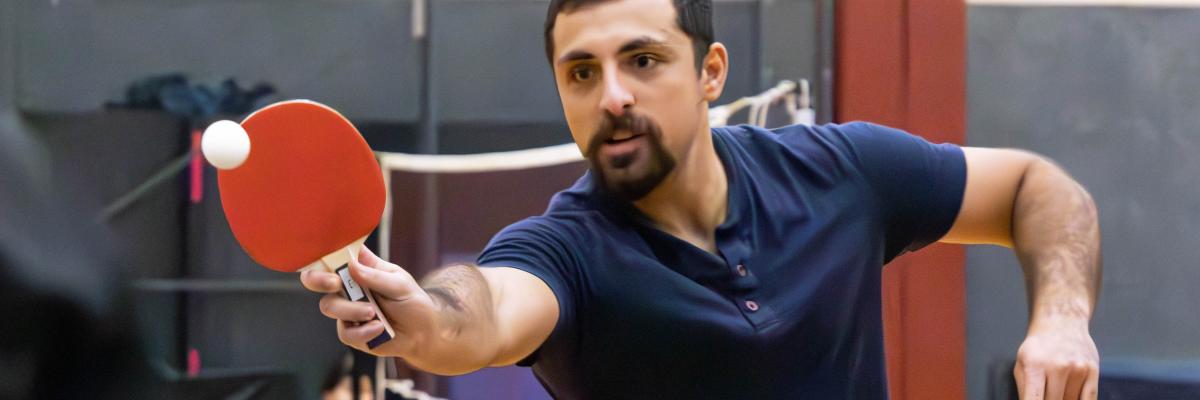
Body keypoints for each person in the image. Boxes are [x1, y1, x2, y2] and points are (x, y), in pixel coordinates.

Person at [301, 0, 1102, 398]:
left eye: (642, 60)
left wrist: (1062, 318)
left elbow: (1039, 187)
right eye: (581, 72)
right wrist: (428, 316)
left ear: (710, 71)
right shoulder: (565, 251)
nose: (611, 95)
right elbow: (482, 309)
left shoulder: (839, 173)